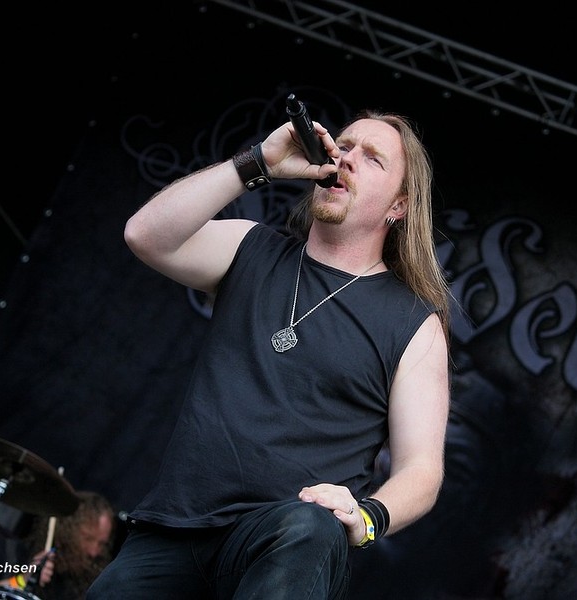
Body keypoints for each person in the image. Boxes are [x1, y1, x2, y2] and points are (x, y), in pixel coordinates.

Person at [87, 104, 451, 599]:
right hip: (175, 528)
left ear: (399, 207)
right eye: (343, 145)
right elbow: (145, 235)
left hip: (286, 539)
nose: (346, 158)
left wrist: (367, 517)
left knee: (310, 526)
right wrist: (258, 162)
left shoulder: (413, 324)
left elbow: (421, 470)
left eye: (372, 158)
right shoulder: (251, 249)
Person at [0, 490, 115, 600]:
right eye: (88, 539)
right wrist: (21, 581)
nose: (94, 552)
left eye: (102, 544)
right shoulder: (9, 552)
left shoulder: (88, 588)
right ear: (67, 531)